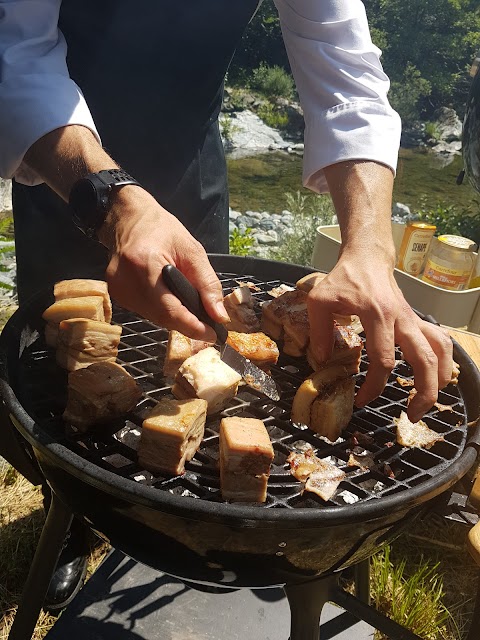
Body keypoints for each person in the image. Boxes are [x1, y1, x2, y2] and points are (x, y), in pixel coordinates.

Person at [0, 0, 453, 613]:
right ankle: (74, 517)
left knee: (205, 352)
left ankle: (199, 509)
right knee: (68, 375)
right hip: (67, 174)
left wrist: (370, 249)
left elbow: (344, 64)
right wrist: (112, 202)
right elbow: (17, 50)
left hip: (190, 165)